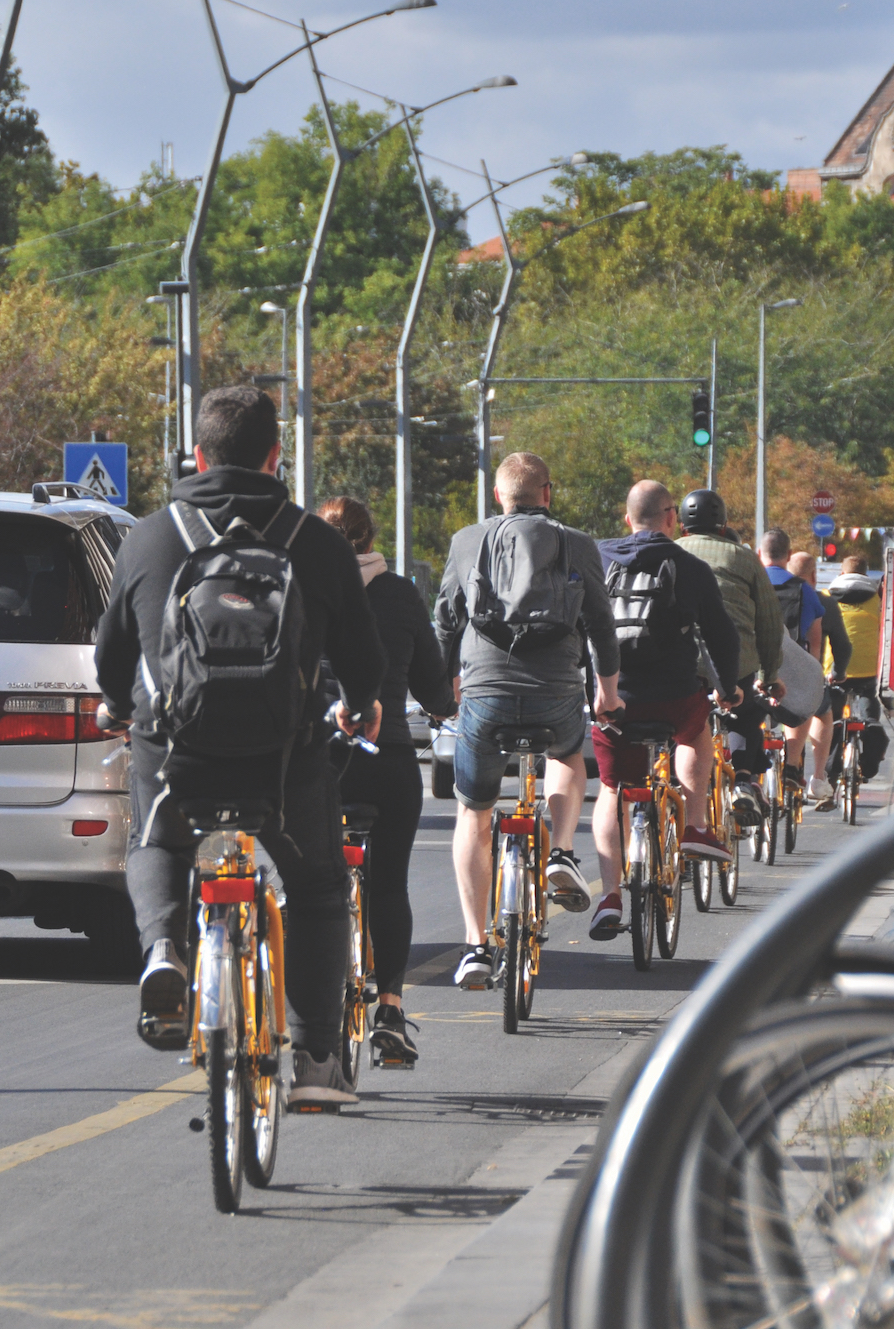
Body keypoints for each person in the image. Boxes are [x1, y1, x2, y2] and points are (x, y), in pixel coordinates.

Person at [94, 385, 382, 1112]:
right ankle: (317, 1061)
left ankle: (164, 951)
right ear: (275, 455)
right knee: (317, 889)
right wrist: (358, 706)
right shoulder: (314, 541)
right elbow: (364, 660)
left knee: (155, 844)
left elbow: (111, 651)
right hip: (283, 758)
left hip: (177, 749)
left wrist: (115, 705)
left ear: (197, 453)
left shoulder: (152, 537)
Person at [434, 452, 623, 990]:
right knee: (567, 755)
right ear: (548, 493)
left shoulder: (468, 541)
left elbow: (446, 619)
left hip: (486, 694)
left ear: (499, 495)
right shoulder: (578, 543)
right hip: (556, 693)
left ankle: (475, 946)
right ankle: (560, 851)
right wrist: (606, 692)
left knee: (474, 814)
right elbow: (601, 627)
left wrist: (445, 689)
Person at [318, 495, 454, 1069]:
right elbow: (433, 685)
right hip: (390, 760)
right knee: (389, 886)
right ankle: (392, 1011)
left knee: (315, 890)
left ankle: (313, 1016)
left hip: (324, 762)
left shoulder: (305, 590)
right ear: (372, 540)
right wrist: (443, 705)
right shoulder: (399, 594)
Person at [589, 481, 742, 940]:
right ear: (672, 518)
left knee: (614, 787)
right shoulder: (688, 565)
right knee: (695, 732)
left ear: (627, 518)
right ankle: (695, 825)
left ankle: (611, 895)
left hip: (614, 700)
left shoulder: (596, 559)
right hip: (675, 695)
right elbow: (722, 635)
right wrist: (728, 687)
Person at [675, 490, 779, 824]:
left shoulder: (671, 552)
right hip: (736, 665)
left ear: (680, 525)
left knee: (679, 723)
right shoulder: (745, 558)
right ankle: (744, 780)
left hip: (681, 663)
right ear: (724, 526)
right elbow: (768, 622)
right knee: (746, 715)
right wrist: (770, 674)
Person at [759, 528, 823, 801]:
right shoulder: (804, 590)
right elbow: (815, 640)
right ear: (788, 555)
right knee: (804, 701)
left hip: (755, 666)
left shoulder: (751, 582)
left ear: (760, 554)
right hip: (791, 664)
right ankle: (793, 762)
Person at [786, 550, 852, 811]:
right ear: (814, 575)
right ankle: (819, 777)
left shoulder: (768, 593)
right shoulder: (821, 601)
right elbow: (842, 646)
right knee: (822, 713)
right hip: (806, 677)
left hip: (767, 678)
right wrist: (839, 672)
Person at [826, 555, 888, 785]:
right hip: (869, 669)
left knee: (829, 720)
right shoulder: (879, 601)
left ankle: (829, 773)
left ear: (841, 574)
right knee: (869, 713)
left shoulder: (827, 598)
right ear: (866, 575)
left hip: (833, 669)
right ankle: (869, 761)